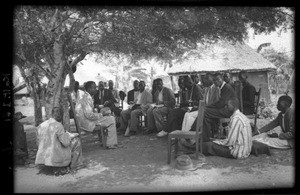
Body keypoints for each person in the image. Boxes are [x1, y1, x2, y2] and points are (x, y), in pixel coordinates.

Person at [190, 72, 236, 141]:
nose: (214, 83)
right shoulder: (223, 87)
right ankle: (205, 138)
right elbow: (220, 103)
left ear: (219, 80)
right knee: (206, 117)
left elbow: (221, 104)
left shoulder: (226, 88)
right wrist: (208, 107)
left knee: (204, 111)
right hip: (224, 109)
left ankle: (193, 132)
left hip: (228, 111)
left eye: (215, 81)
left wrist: (208, 107)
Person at [75, 81, 118, 149]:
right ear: (89, 89)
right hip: (87, 123)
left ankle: (105, 141)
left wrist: (97, 112)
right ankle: (111, 144)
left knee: (107, 117)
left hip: (84, 121)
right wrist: (101, 114)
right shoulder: (87, 98)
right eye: (94, 88)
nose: (96, 89)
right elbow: (89, 116)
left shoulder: (84, 96)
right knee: (111, 119)